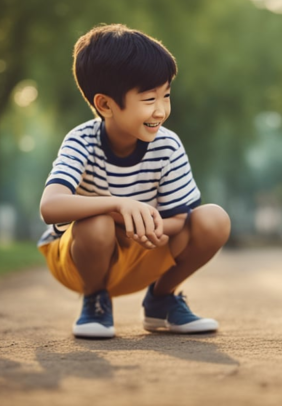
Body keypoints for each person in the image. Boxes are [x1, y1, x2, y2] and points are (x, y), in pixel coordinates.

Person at [38, 24, 231, 339]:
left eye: (166, 95)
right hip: (81, 257)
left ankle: (161, 300)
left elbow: (179, 220)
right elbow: (50, 206)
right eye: (149, 98)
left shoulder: (167, 145)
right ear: (105, 105)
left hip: (145, 249)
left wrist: (138, 223)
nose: (161, 110)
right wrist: (118, 205)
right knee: (96, 221)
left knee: (214, 219)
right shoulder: (81, 141)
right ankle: (95, 302)